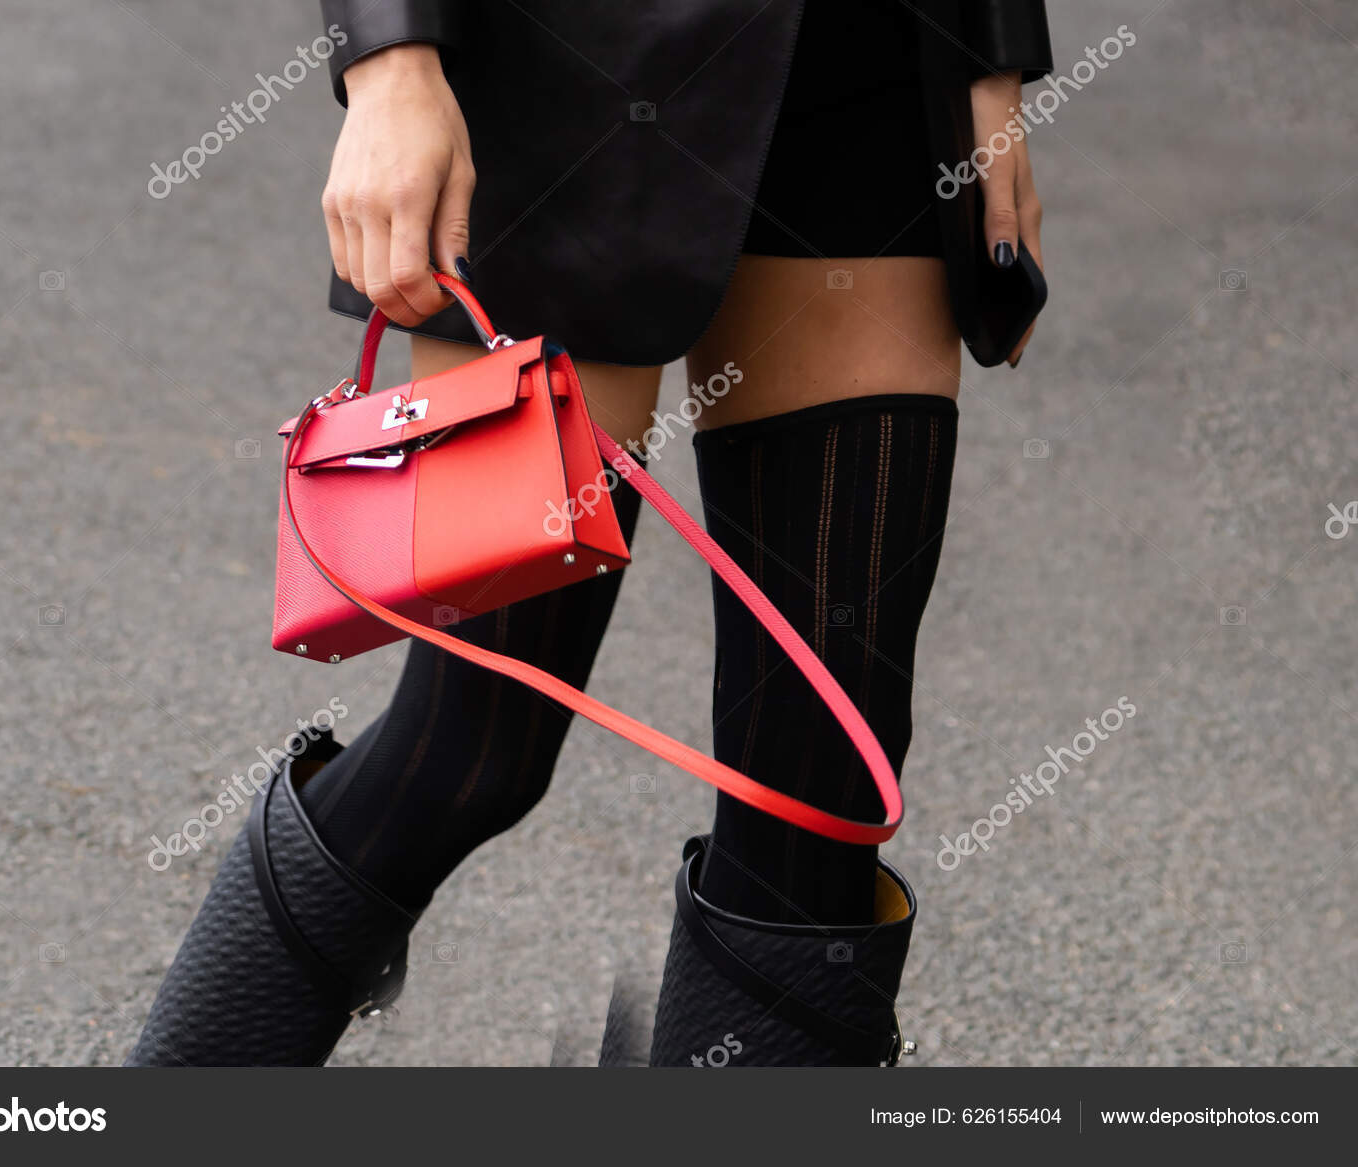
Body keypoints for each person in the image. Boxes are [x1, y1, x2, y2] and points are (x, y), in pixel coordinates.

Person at [127, 0, 1053, 1067]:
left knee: (823, 787)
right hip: (561, 92)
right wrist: (389, 62)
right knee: (474, 749)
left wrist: (990, 74)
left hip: (865, 78)